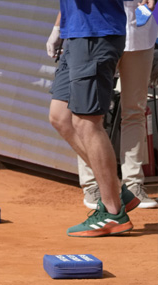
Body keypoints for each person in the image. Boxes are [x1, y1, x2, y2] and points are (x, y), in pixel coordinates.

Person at [49, 1, 158, 210]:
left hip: (137, 33)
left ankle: (133, 185)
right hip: (96, 31)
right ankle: (95, 185)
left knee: (133, 111)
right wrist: (57, 28)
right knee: (85, 116)